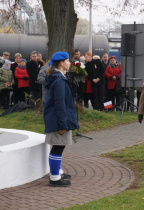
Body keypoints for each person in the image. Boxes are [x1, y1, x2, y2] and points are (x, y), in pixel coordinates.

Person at [44, 51, 79, 187]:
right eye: (68, 61)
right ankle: (54, 178)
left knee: (58, 146)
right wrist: (62, 124)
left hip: (57, 118)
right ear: (61, 63)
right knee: (58, 147)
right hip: (58, 120)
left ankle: (57, 171)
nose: (69, 63)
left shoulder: (59, 77)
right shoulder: (59, 80)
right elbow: (60, 104)